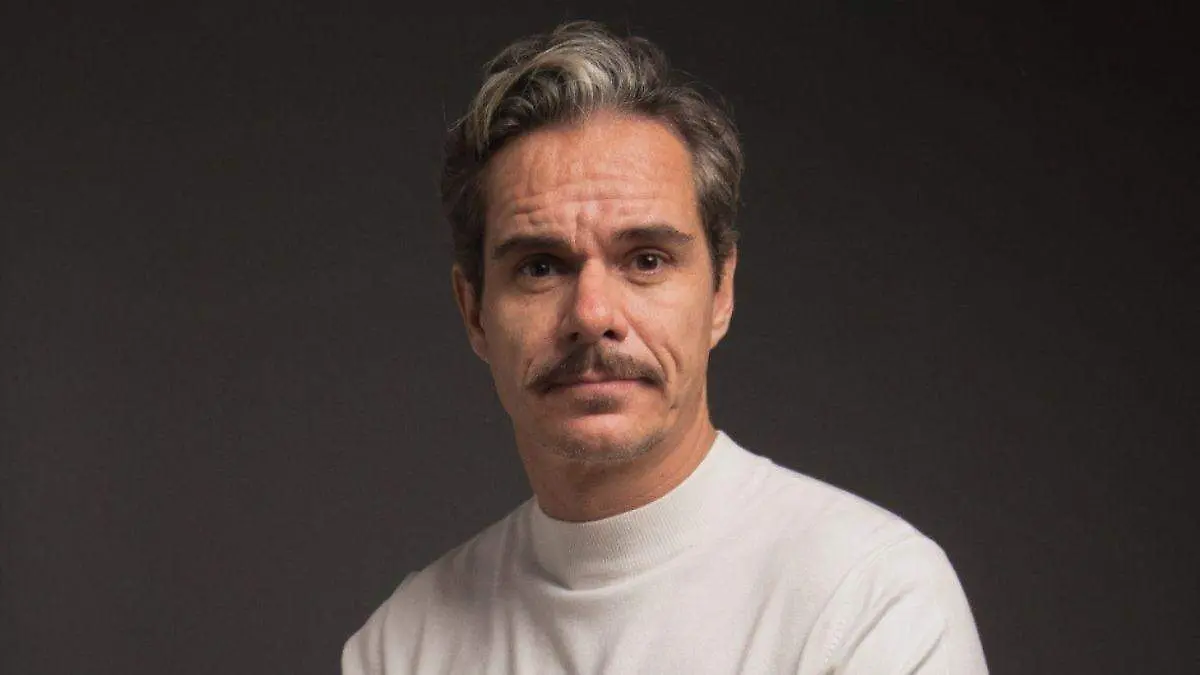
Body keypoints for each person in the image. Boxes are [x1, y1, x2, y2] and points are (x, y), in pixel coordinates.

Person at [343, 20, 988, 674]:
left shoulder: (869, 599)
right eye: (540, 266)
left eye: (646, 260)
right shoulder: (401, 647)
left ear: (720, 292)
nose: (592, 315)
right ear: (474, 311)